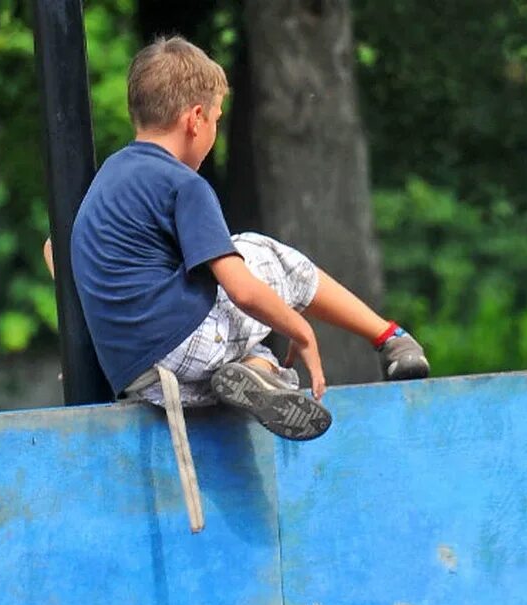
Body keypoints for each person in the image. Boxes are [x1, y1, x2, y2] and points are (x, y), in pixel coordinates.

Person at [63, 36, 428, 441]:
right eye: (217, 119)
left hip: (139, 376)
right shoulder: (184, 185)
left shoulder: (108, 177)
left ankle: (258, 371)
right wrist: (301, 329)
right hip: (183, 348)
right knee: (257, 253)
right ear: (196, 118)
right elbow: (242, 291)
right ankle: (390, 338)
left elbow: (54, 249)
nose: (215, 129)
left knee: (250, 351)